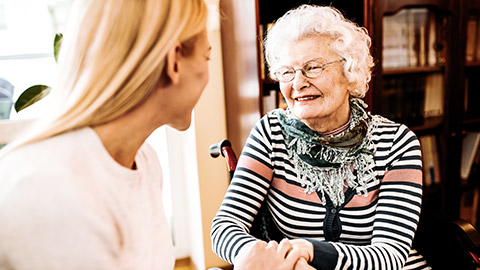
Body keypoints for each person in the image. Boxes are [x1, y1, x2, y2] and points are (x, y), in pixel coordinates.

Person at [211, 4, 430, 270]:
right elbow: (224, 227)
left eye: (312, 68)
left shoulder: (396, 143)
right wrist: (260, 255)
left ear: (350, 72)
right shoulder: (270, 133)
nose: (297, 83)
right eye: (287, 72)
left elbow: (389, 256)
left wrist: (310, 251)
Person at [0, 0, 211, 269]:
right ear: (175, 62)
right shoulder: (48, 192)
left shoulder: (144, 161)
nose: (208, 75)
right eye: (207, 57)